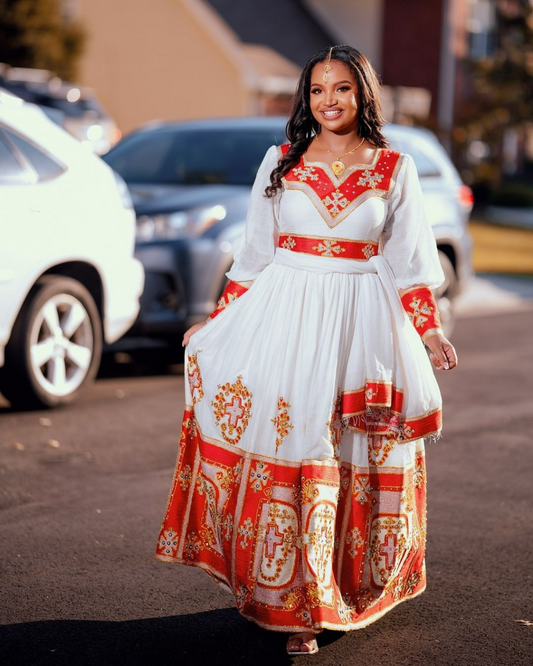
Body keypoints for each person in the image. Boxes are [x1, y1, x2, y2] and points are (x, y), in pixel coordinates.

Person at [155, 44, 457, 656]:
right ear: (305, 98)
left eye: (341, 89)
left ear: (362, 93)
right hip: (285, 317)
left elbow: (410, 266)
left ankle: (330, 591)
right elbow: (254, 255)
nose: (328, 102)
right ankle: (294, 602)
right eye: (317, 91)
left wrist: (428, 332)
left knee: (342, 451)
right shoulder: (281, 160)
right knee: (296, 448)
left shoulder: (394, 168)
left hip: (361, 323)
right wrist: (217, 320)